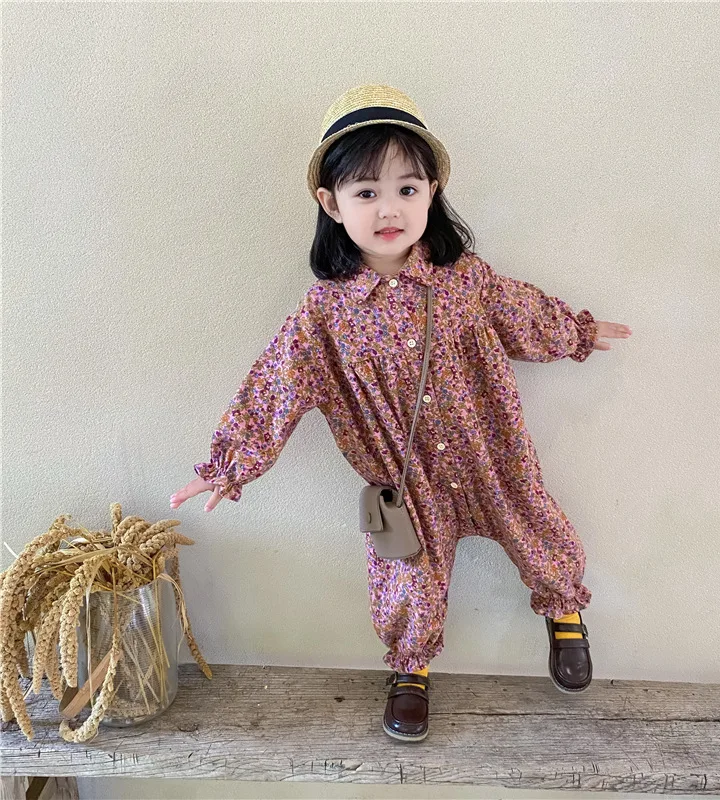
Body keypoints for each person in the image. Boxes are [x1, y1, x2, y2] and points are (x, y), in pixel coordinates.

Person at [169, 84, 633, 743]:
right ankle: (410, 669)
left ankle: (564, 615)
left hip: (490, 453)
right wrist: (232, 462)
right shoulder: (326, 314)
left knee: (536, 525)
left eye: (407, 189)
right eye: (366, 192)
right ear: (331, 203)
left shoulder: (463, 279)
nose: (389, 208)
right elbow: (277, 384)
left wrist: (575, 331)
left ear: (432, 193)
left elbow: (520, 311)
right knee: (406, 576)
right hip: (402, 479)